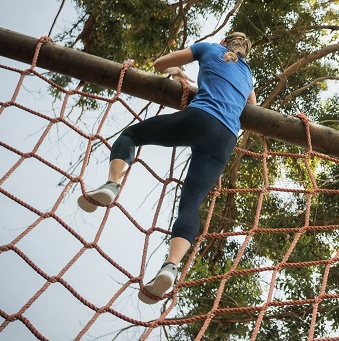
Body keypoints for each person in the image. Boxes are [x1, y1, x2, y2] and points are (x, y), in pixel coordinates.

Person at [78, 32, 257, 304]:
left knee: (131, 136)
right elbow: (251, 109)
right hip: (225, 139)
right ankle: (171, 267)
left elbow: (160, 63)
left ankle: (112, 184)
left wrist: (177, 72)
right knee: (190, 204)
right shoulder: (248, 74)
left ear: (224, 43)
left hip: (201, 117)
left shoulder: (209, 49)